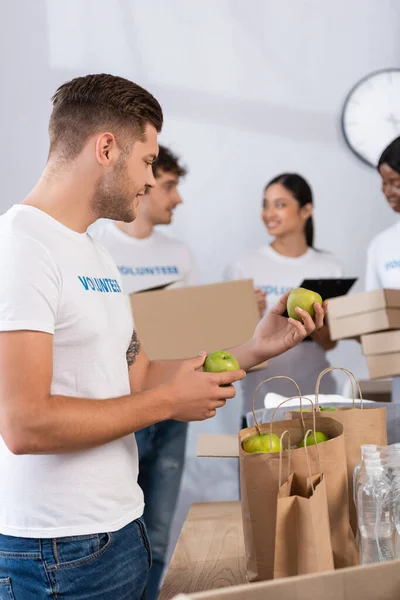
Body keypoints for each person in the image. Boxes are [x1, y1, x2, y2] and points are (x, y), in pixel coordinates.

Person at [0, 75, 326, 600]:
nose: (152, 180)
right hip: (56, 554)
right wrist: (165, 404)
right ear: (106, 148)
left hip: (120, 531)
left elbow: (141, 372)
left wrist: (255, 348)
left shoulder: (93, 252)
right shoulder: (22, 246)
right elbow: (24, 424)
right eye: (148, 161)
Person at [91, 144, 196, 599]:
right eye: (169, 185)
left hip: (172, 405)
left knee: (157, 529)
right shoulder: (96, 246)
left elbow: (191, 331)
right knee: (120, 529)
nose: (175, 197)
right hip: (122, 404)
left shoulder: (181, 255)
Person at [227, 173, 342, 422]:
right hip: (260, 400)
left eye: (280, 205)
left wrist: (318, 326)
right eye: (265, 205)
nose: (269, 213)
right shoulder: (244, 266)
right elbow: (227, 345)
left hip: (316, 396)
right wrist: (248, 314)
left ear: (306, 210)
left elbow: (330, 343)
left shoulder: (330, 268)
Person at [365, 136, 400, 403]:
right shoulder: (382, 245)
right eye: (383, 182)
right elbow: (373, 314)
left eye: (394, 182)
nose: (385, 190)